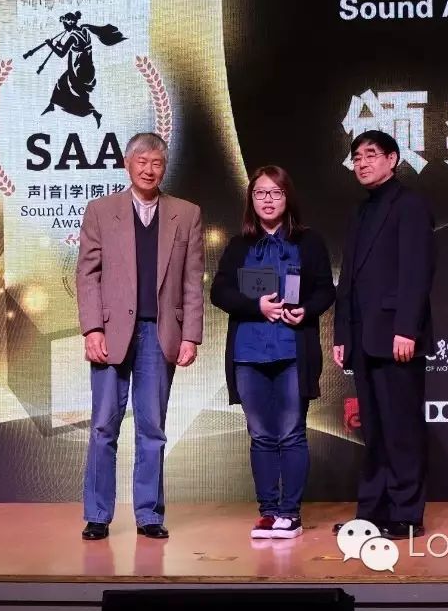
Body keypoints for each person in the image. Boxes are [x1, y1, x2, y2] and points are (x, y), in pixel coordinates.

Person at [76, 132, 203, 540]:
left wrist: (191, 336)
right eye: (142, 161)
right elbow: (87, 275)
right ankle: (98, 514)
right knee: (103, 427)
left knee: (153, 428)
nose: (149, 170)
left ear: (164, 168)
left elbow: (192, 281)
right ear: (127, 164)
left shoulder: (186, 214)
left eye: (156, 163)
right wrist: (92, 328)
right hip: (111, 333)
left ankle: (149, 514)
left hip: (160, 333)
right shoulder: (101, 211)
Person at [210, 166, 335, 539]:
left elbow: (325, 290)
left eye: (275, 192)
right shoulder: (239, 245)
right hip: (248, 353)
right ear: (251, 199)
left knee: (292, 432)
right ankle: (267, 512)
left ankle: (289, 514)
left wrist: (306, 310)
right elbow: (219, 292)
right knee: (261, 434)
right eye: (260, 193)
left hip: (293, 350)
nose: (267, 199)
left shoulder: (309, 242)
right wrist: (256, 306)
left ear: (287, 198)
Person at [332, 130, 436, 539]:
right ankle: (372, 512)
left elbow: (416, 272)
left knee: (401, 429)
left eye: (371, 155)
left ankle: (407, 514)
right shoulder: (360, 211)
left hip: (396, 337)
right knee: (373, 431)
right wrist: (342, 333)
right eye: (356, 157)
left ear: (393, 159)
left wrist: (407, 328)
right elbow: (348, 280)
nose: (362, 163)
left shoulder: (410, 205)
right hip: (362, 338)